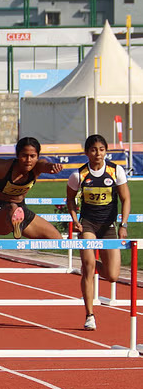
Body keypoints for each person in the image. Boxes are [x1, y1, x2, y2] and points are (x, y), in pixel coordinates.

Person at [66, 134, 130, 331]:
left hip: (108, 226)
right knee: (88, 266)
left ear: (106, 151)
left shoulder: (115, 171)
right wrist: (75, 220)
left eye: (101, 150)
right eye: (93, 150)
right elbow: (70, 200)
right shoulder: (78, 175)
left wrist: (123, 224)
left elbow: (125, 199)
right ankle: (90, 315)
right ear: (87, 153)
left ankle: (91, 264)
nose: (98, 154)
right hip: (88, 225)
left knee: (112, 275)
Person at [0, 137, 63, 240]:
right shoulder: (3, 167)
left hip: (21, 211)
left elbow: (45, 165)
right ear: (17, 155)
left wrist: (52, 166)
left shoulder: (37, 167)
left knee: (56, 238)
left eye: (32, 156)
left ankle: (17, 223)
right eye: (24, 156)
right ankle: (15, 223)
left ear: (37, 157)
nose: (28, 160)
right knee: (12, 207)